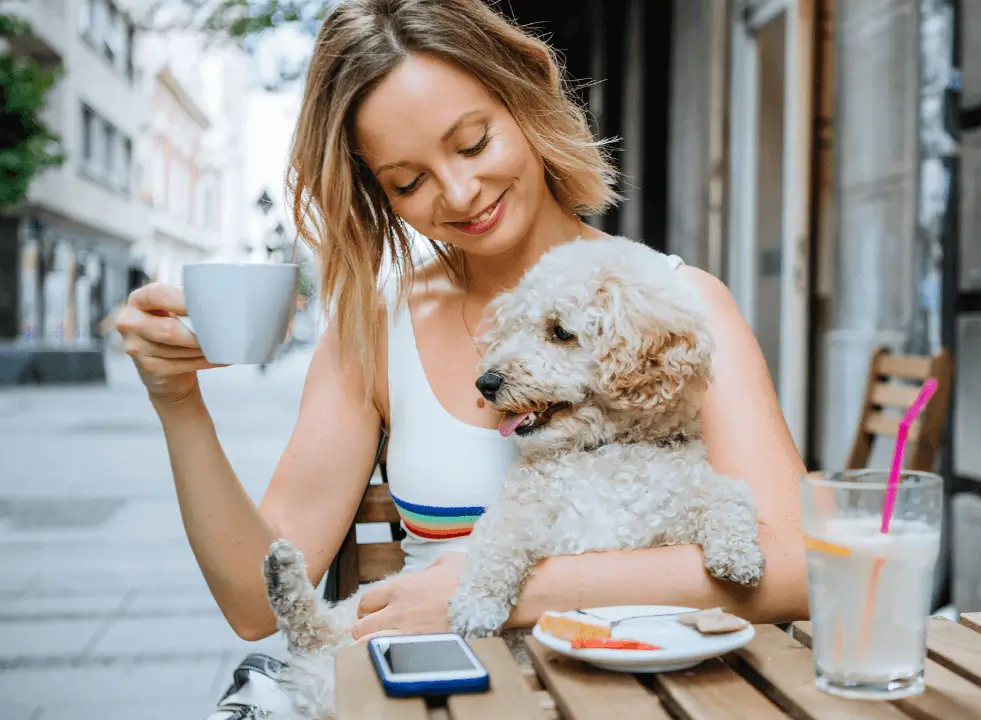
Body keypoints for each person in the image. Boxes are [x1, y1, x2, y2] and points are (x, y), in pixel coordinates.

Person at [115, 0, 808, 711]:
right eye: (407, 182)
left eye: (473, 142)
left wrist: (505, 590)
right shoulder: (376, 327)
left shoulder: (680, 302)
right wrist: (178, 403)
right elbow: (256, 605)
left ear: (525, 99)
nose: (459, 192)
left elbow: (793, 565)